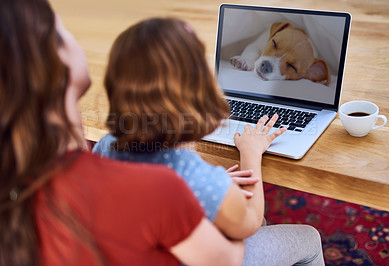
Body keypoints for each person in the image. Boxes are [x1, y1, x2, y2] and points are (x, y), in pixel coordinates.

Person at [0, 1, 245, 265]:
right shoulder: (161, 188)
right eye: (61, 28)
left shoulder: (19, 190)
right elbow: (228, 259)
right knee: (294, 236)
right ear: (57, 57)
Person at [93, 17, 326, 265]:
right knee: (308, 238)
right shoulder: (193, 175)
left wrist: (215, 186)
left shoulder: (107, 145)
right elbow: (250, 222)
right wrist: (251, 152)